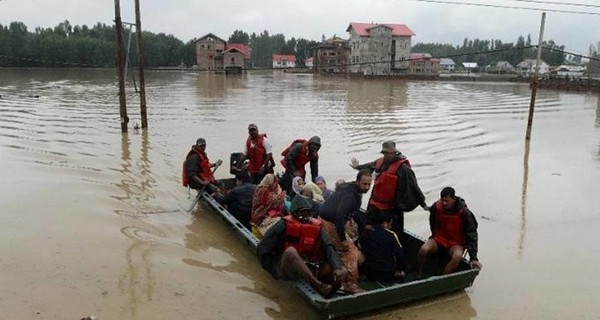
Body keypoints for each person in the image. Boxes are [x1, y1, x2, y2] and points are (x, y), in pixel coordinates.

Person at [257, 195, 348, 298]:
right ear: (295, 212)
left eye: (308, 212)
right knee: (290, 251)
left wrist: (337, 267)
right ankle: (317, 284)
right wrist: (273, 270)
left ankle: (330, 293)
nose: (305, 215)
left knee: (342, 270)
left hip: (310, 264)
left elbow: (329, 247)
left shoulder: (316, 227)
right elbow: (263, 248)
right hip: (288, 266)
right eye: (302, 212)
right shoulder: (283, 225)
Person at [351, 140, 428, 242]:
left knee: (394, 236)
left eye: (389, 153)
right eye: (385, 153)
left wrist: (423, 204)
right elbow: (368, 167)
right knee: (367, 229)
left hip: (392, 209)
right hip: (375, 204)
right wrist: (357, 167)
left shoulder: (403, 168)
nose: (387, 156)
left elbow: (414, 186)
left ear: (394, 153)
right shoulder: (379, 162)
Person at [318, 169, 372, 294]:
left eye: (369, 184)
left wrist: (364, 225)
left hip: (324, 219)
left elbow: (354, 213)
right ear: (357, 182)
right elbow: (340, 217)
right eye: (364, 184)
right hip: (330, 224)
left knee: (348, 246)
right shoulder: (350, 197)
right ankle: (350, 283)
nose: (367, 187)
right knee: (350, 251)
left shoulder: (348, 188)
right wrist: (343, 240)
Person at [416, 187, 482, 278]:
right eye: (442, 200)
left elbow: (472, 234)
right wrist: (433, 235)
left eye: (447, 201)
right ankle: (418, 273)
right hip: (439, 240)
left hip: (456, 244)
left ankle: (442, 278)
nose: (444, 203)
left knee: (457, 256)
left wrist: (473, 258)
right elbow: (432, 222)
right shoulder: (436, 207)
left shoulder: (465, 213)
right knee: (423, 249)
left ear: (453, 198)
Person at [359, 212, 405, 282]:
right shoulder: (391, 235)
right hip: (388, 273)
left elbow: (362, 247)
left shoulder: (366, 233)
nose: (391, 227)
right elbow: (399, 254)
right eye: (390, 224)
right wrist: (400, 268)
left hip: (369, 271)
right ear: (385, 223)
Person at [250, 174, 287, 238]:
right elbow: (272, 201)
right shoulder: (264, 191)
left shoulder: (260, 187)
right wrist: (280, 197)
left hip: (256, 214)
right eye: (274, 182)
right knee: (279, 222)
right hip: (260, 216)